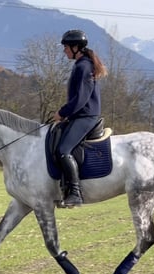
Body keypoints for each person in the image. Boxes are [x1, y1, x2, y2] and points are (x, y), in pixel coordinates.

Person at [53, 29, 108, 207]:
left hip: (86, 116)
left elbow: (81, 99)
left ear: (76, 47)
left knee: (63, 150)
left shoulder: (84, 66)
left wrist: (62, 112)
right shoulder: (81, 64)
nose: (64, 51)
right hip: (81, 115)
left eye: (66, 47)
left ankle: (75, 192)